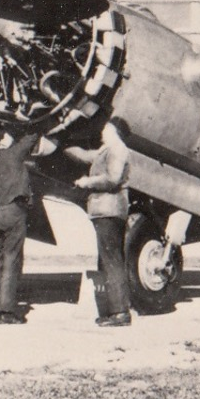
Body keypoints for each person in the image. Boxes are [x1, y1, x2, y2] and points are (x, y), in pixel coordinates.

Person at [0, 126, 53, 324]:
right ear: (2, 141)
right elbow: (31, 137)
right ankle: (7, 312)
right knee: (12, 261)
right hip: (14, 212)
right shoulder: (12, 154)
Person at [73, 117, 133, 327]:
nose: (102, 132)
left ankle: (120, 313)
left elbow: (113, 178)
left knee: (112, 261)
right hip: (105, 210)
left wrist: (87, 182)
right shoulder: (106, 149)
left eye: (106, 129)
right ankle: (112, 311)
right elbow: (83, 156)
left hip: (109, 209)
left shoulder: (118, 149)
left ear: (115, 131)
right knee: (108, 260)